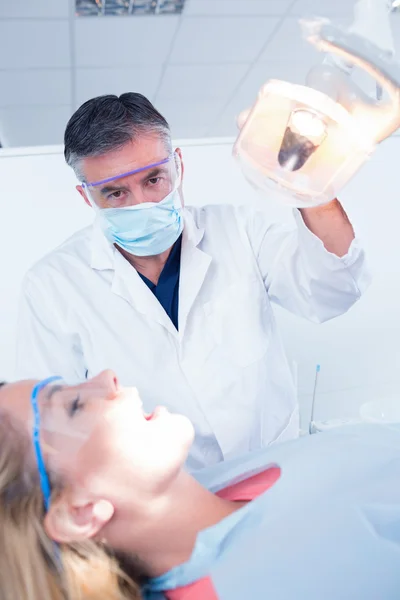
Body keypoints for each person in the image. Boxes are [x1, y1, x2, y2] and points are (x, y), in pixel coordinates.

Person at [15, 92, 370, 470]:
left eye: (154, 179)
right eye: (116, 193)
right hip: (158, 505)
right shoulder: (52, 285)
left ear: (178, 165)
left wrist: (312, 190)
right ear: (87, 198)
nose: (142, 203)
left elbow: (332, 290)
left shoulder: (239, 230)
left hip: (271, 473)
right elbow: (51, 431)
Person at [0, 370, 399, 600]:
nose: (106, 377)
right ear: (79, 511)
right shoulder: (269, 587)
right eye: (75, 405)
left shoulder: (215, 489)